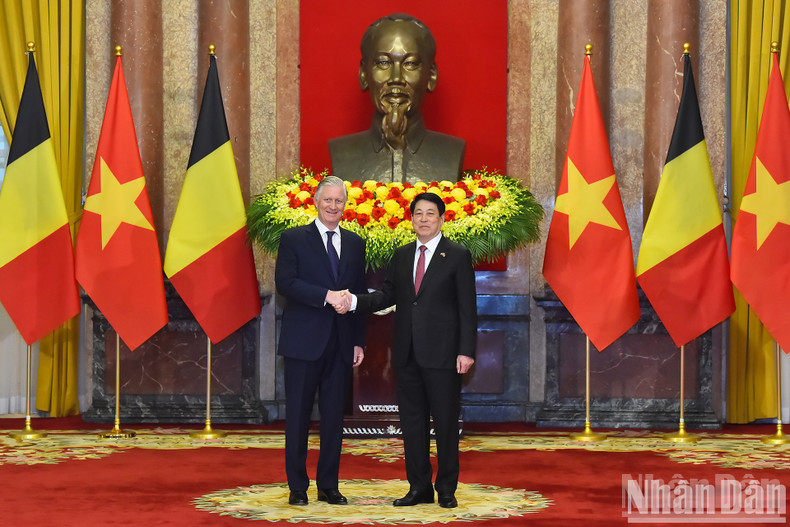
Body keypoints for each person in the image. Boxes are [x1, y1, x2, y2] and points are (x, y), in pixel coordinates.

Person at [338, 192, 476, 508]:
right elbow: (387, 295)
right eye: (418, 213)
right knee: (412, 424)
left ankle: (446, 489)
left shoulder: (457, 255)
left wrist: (465, 351)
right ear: (411, 219)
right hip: (406, 354)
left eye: (430, 213)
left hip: (444, 355)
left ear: (442, 219)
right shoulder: (401, 256)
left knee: (444, 423)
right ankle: (419, 488)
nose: (424, 218)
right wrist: (355, 301)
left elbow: (468, 308)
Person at [275, 176, 367, 506]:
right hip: (303, 342)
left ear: (346, 204)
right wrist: (326, 295)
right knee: (298, 416)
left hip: (341, 343)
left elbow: (358, 292)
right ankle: (297, 486)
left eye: (339, 201)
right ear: (315, 201)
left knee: (333, 420)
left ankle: (329, 484)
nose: (333, 206)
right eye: (327, 200)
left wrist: (358, 341)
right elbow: (285, 283)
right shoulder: (293, 238)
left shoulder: (356, 243)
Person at [329, 13, 465, 184]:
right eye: (383, 63)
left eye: (410, 64)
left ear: (431, 76)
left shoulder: (451, 152)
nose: (396, 78)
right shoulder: (341, 152)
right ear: (364, 74)